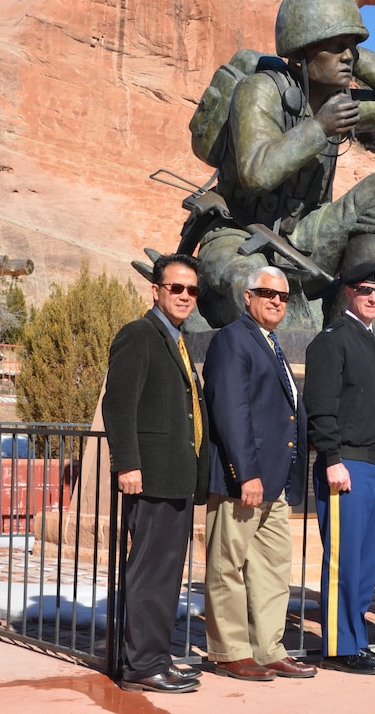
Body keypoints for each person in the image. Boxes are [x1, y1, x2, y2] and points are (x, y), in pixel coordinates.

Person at [196, 0, 375, 330]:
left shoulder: (340, 102)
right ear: (303, 49)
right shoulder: (260, 89)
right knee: (267, 303)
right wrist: (319, 127)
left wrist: (353, 54)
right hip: (238, 235)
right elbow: (255, 173)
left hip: (305, 235)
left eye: (352, 47)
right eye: (336, 47)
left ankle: (347, 320)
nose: (348, 56)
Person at [103, 252, 211, 693]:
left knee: (165, 575)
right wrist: (127, 463)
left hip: (176, 478)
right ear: (156, 290)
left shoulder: (178, 340)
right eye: (176, 288)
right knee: (150, 573)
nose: (185, 296)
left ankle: (155, 657)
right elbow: (118, 404)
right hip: (151, 477)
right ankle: (143, 665)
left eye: (192, 290)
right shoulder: (139, 335)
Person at [202, 265, 315, 681]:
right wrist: (246, 473)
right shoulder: (232, 340)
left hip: (274, 484)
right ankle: (230, 650)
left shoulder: (271, 343)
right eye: (266, 293)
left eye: (282, 297)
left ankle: (269, 648)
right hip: (242, 483)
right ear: (246, 297)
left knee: (272, 568)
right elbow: (232, 411)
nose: (275, 301)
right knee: (226, 566)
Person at [304, 263, 375, 675]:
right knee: (344, 558)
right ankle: (340, 646)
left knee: (365, 559)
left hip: (371, 466)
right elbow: (321, 407)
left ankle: (356, 638)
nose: (374, 298)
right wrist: (332, 457)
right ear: (347, 292)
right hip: (343, 464)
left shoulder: (372, 344)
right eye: (365, 290)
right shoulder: (333, 341)